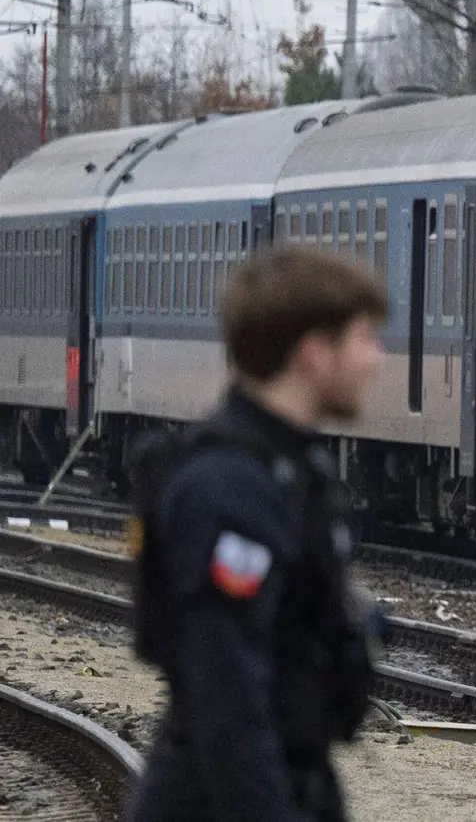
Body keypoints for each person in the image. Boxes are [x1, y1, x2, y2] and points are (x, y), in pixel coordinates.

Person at [124, 246, 389, 822]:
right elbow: (227, 703)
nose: (378, 359)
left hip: (293, 784)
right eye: (365, 338)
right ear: (314, 354)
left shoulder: (294, 474)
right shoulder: (226, 489)